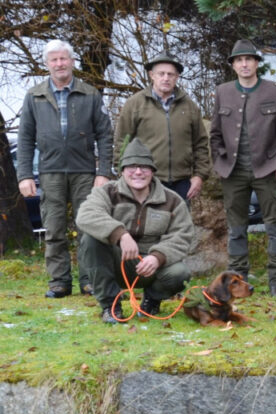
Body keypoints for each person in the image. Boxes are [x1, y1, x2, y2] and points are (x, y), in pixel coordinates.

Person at [16, 39, 113, 299]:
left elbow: (105, 135)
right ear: (46, 64)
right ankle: (59, 281)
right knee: (54, 228)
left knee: (89, 228)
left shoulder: (90, 93)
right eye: (54, 60)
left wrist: (103, 171)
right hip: (50, 172)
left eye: (63, 58)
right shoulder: (34, 96)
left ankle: (90, 280)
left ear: (72, 61)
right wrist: (25, 175)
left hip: (85, 173)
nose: (59, 64)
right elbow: (25, 138)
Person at [209, 39, 276, 297]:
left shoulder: (275, 91)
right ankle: (239, 283)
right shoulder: (223, 92)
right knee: (236, 230)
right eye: (239, 60)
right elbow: (214, 134)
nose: (244, 64)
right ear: (233, 65)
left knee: (275, 228)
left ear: (257, 63)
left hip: (268, 170)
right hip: (233, 172)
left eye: (249, 59)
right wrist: (220, 162)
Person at [76, 139, 193, 323]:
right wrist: (120, 234)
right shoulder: (106, 192)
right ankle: (111, 306)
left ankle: (151, 301)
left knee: (181, 273)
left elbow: (182, 235)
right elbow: (86, 215)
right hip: (115, 262)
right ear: (122, 171)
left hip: (151, 266)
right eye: (131, 167)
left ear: (152, 171)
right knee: (90, 240)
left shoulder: (172, 200)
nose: (138, 172)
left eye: (144, 167)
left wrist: (157, 256)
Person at [114, 52, 212, 204]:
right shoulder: (135, 104)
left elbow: (200, 144)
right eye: (161, 74)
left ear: (177, 77)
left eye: (170, 74)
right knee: (147, 226)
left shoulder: (190, 106)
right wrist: (123, 172)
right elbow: (122, 141)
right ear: (152, 75)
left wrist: (199, 176)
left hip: (182, 183)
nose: (166, 78)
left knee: (179, 226)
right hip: (146, 180)